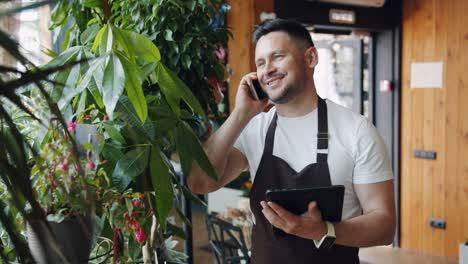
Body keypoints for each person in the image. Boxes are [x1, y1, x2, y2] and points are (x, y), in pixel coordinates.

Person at [188, 18, 395, 263]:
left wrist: (323, 231)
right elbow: (199, 182)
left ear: (311, 58)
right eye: (260, 63)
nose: (267, 70)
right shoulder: (256, 129)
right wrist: (240, 113)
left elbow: (384, 225)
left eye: (278, 57)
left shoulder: (357, 131)